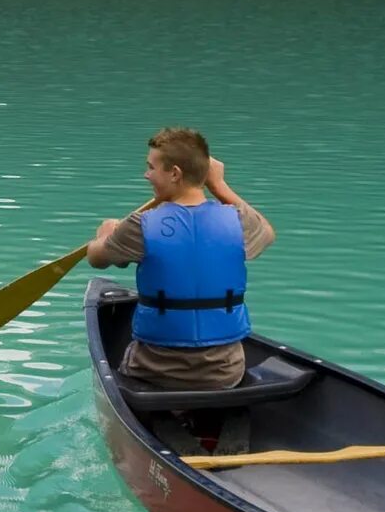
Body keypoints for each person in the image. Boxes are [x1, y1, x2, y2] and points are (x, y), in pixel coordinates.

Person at [87, 127, 276, 390]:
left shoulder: (139, 225)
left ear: (174, 173)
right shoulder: (237, 221)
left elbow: (95, 258)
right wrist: (219, 186)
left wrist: (106, 233)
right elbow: (266, 232)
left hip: (153, 371)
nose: (146, 175)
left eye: (151, 167)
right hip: (225, 374)